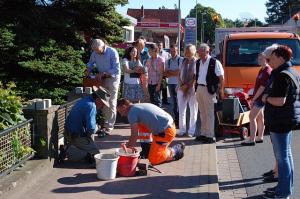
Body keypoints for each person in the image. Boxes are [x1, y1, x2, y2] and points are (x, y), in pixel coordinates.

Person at [262, 44, 300, 199]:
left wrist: (266, 98)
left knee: (283, 157)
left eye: (272, 57)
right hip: (287, 118)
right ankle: (284, 188)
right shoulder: (292, 71)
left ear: (280, 57)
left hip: (281, 120)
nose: (270, 60)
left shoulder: (282, 75)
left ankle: (283, 192)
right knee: (286, 156)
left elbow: (280, 101)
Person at [117, 98, 185, 165]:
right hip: (167, 127)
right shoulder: (137, 106)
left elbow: (134, 135)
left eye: (120, 112)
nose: (122, 115)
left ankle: (175, 150)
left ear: (124, 106)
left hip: (166, 132)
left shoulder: (131, 113)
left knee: (154, 159)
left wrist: (126, 152)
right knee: (140, 125)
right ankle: (147, 150)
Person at [64, 86, 111, 163]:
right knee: (97, 157)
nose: (103, 106)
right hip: (76, 136)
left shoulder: (85, 100)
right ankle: (73, 152)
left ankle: (76, 149)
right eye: (103, 103)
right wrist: (98, 128)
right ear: (98, 99)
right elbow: (91, 128)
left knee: (90, 141)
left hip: (69, 133)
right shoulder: (91, 106)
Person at [86, 39, 121, 136]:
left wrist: (104, 73)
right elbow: (90, 63)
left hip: (112, 79)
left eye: (98, 50)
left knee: (111, 101)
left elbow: (116, 69)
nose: (97, 52)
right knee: (103, 101)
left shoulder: (112, 52)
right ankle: (105, 123)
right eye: (95, 50)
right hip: (101, 79)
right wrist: (88, 70)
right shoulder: (94, 52)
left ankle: (109, 126)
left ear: (103, 45)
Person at [195, 43, 224, 143]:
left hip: (209, 90)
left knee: (210, 113)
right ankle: (203, 133)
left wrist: (220, 90)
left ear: (207, 52)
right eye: (199, 52)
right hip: (199, 88)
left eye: (201, 53)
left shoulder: (214, 62)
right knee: (202, 113)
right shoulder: (198, 62)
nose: (199, 55)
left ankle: (210, 136)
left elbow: (221, 77)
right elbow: (196, 75)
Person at [241, 54, 272, 146]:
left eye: (261, 58)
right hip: (259, 97)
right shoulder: (262, 69)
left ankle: (251, 139)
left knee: (251, 117)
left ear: (266, 59)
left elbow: (262, 87)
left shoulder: (267, 71)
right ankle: (260, 137)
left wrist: (253, 99)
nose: (259, 60)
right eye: (258, 58)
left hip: (260, 98)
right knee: (260, 117)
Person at [177, 44, 198, 137]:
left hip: (192, 89)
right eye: (186, 52)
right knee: (181, 110)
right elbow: (179, 74)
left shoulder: (197, 62)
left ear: (194, 52)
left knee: (193, 111)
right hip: (181, 88)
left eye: (189, 52)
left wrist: (187, 85)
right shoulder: (182, 61)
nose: (187, 54)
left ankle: (191, 131)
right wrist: (181, 85)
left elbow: (196, 76)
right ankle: (182, 130)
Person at [165, 44, 182, 125]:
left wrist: (171, 72)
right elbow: (166, 74)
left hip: (178, 84)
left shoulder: (181, 60)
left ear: (177, 51)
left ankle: (179, 120)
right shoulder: (168, 61)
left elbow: (179, 72)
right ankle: (177, 119)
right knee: (174, 102)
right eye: (171, 51)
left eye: (174, 51)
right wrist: (174, 72)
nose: (172, 53)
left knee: (179, 102)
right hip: (170, 83)